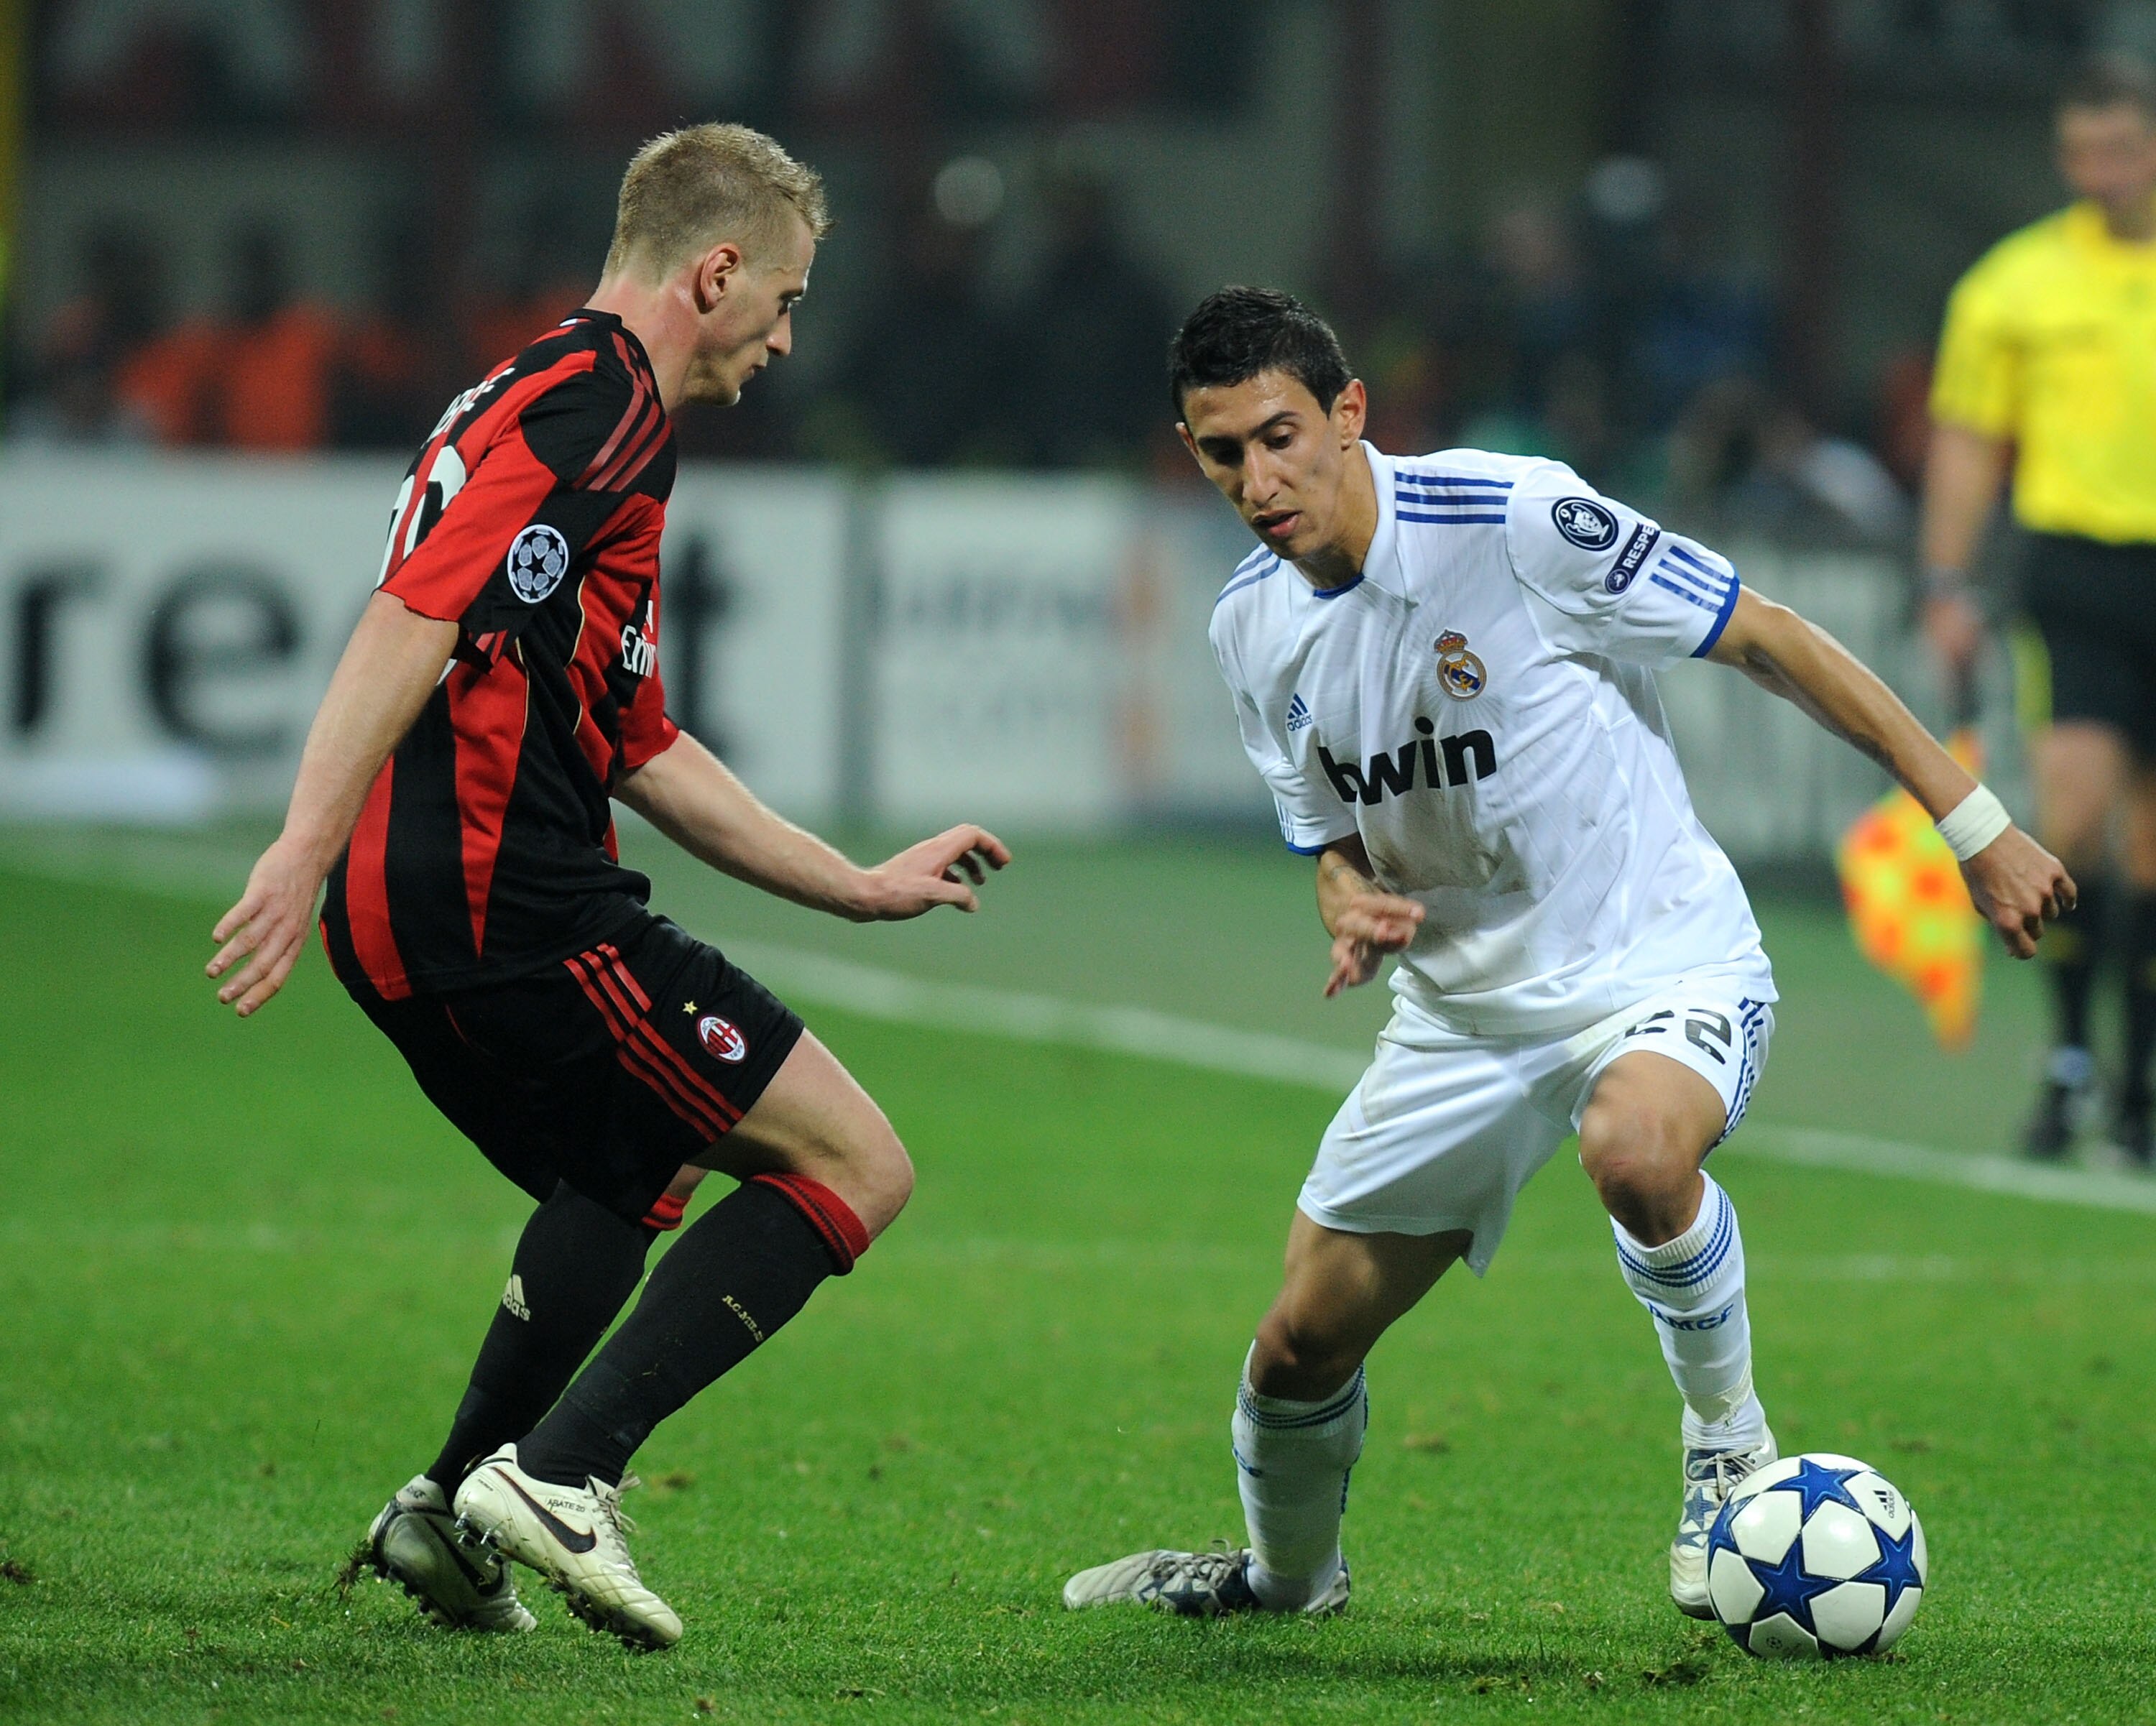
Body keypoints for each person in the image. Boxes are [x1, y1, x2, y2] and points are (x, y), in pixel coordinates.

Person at [1063, 287, 2068, 1622]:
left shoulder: (1515, 517)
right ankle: (1282, 1582)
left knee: (1637, 1149)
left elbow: (1768, 636)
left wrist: (1973, 820)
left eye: (1281, 435)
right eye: (1220, 453)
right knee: (1296, 1347)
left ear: (1351, 415)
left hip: (1658, 962)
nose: (1258, 479)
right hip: (1462, 1019)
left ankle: (1730, 1457)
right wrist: (1344, 897)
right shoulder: (1251, 623)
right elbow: (1331, 836)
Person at [206, 123, 1007, 1652]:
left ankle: (446, 1508)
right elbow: (412, 613)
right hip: (506, 896)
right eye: (782, 297)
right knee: (856, 1163)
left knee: (627, 1166)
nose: (785, 336)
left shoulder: (536, 390)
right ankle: (566, 1473)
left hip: (414, 907)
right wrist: (297, 834)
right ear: (714, 272)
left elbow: (632, 733)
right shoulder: (605, 409)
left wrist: (848, 885)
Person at [1921, 53, 2156, 1165]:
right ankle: (2069, 1061)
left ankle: (2140, 1088)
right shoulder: (2015, 284)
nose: (2096, 171)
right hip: (2077, 570)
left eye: (2116, 148)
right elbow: (1970, 442)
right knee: (2071, 817)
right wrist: (1946, 580)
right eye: (2079, 152)